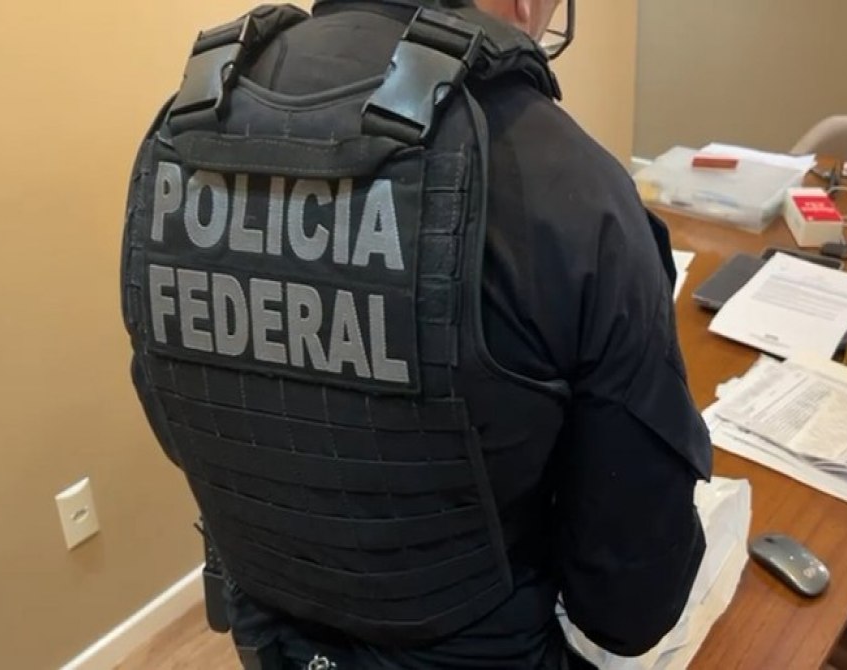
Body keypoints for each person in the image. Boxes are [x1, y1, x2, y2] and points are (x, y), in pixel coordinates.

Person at [120, 1, 713, 668]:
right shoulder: (571, 186)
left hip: (274, 645)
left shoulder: (187, 126)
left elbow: (184, 418)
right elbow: (630, 607)